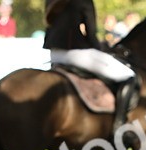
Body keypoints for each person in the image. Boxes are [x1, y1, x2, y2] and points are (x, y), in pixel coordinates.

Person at [44, 0, 138, 134]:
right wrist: (102, 49)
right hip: (74, 52)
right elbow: (91, 32)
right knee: (128, 76)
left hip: (53, 53)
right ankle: (119, 126)